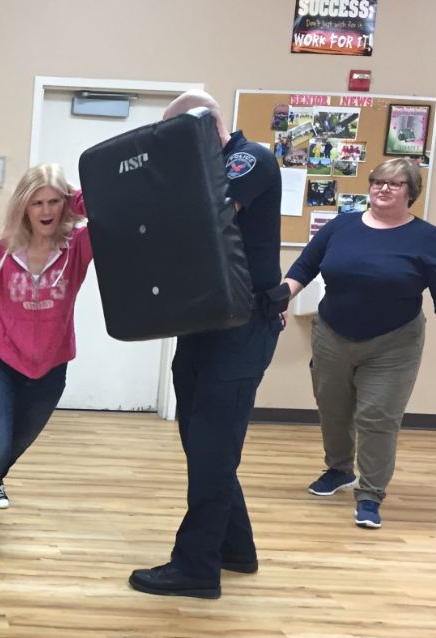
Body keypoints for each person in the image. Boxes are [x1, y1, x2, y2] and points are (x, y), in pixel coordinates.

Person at [128, 90, 286, 599]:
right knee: (203, 443)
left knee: (213, 447)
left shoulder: (249, 157)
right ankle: (236, 548)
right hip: (203, 322)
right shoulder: (197, 167)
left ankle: (196, 568)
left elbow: (204, 216)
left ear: (203, 126)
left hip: (241, 328)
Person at [284, 158, 436, 529]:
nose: (384, 188)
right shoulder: (342, 226)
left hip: (394, 342)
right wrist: (277, 301)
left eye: (395, 184)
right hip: (333, 333)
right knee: (332, 407)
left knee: (377, 417)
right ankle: (338, 470)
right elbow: (304, 267)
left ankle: (369, 494)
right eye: (379, 181)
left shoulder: (428, 238)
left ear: (411, 193)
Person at [0, 163, 92, 565]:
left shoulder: (78, 246)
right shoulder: (8, 247)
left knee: (15, 445)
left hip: (49, 368)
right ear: (24, 207)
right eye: (37, 203)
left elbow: (109, 209)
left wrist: (73, 195)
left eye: (53, 202)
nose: (46, 210)